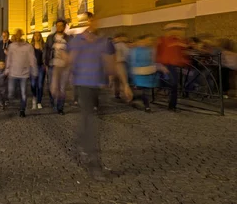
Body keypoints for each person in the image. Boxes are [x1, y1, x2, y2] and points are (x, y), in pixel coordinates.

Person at [67, 12, 117, 181]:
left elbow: (111, 63)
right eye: (92, 20)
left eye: (96, 20)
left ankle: (81, 140)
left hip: (99, 86)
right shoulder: (77, 41)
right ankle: (94, 164)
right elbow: (69, 61)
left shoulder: (104, 42)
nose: (94, 23)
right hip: (83, 85)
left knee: (90, 121)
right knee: (91, 122)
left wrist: (120, 83)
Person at [156, 23, 189, 111]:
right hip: (167, 64)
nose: (176, 31)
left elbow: (184, 50)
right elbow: (158, 51)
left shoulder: (180, 40)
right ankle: (170, 103)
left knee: (174, 84)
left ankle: (172, 104)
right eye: (174, 29)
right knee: (173, 84)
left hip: (176, 65)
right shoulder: (163, 40)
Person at [5, 29, 37, 117]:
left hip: (24, 74)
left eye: (19, 34)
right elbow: (9, 58)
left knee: (23, 93)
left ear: (21, 35)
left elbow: (32, 59)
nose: (18, 36)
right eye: (17, 34)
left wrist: (34, 71)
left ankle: (22, 109)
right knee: (11, 92)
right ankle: (13, 101)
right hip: (13, 73)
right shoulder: (11, 46)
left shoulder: (28, 46)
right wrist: (7, 69)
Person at [45, 19, 71, 114]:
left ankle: (60, 107)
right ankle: (53, 102)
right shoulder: (50, 38)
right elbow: (46, 50)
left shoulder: (69, 38)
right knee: (52, 87)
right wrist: (46, 63)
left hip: (64, 67)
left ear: (64, 27)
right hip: (52, 65)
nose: (59, 27)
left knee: (62, 88)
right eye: (58, 25)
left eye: (61, 25)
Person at [129, 34, 159, 112]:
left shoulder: (151, 49)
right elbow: (133, 62)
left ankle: (137, 100)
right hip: (139, 74)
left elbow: (153, 60)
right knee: (143, 91)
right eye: (148, 40)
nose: (149, 42)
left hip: (148, 73)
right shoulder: (135, 50)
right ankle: (146, 106)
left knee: (145, 91)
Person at [30, 32, 46, 110]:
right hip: (32, 67)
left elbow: (46, 56)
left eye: (38, 35)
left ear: (40, 37)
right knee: (33, 84)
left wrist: (45, 64)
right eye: (35, 35)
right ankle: (34, 97)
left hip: (41, 67)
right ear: (33, 37)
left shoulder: (43, 46)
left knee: (40, 85)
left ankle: (39, 102)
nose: (36, 37)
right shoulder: (31, 46)